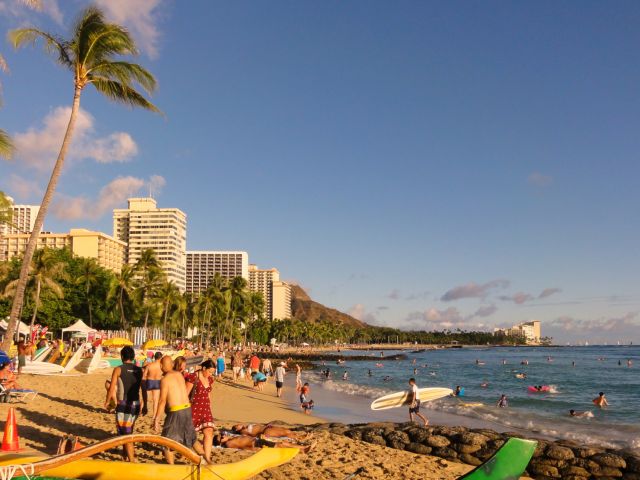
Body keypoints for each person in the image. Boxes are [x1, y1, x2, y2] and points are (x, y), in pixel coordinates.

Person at [154, 356, 202, 464]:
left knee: (167, 442)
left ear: (161, 366)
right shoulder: (179, 375)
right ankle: (205, 461)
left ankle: (172, 468)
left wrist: (157, 419)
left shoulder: (165, 379)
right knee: (192, 438)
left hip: (176, 411)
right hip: (187, 409)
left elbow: (162, 401)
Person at [105, 346, 144, 462]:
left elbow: (111, 388)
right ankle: (125, 455)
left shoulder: (118, 369)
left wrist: (108, 402)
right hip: (136, 404)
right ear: (132, 357)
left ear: (122, 356)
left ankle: (132, 460)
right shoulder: (139, 370)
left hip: (124, 404)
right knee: (127, 429)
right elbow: (144, 388)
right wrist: (145, 403)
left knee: (126, 433)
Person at [186, 359, 216, 463]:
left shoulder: (210, 379)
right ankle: (194, 456)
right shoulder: (193, 377)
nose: (210, 374)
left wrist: (210, 406)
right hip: (193, 409)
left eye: (212, 372)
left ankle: (207, 459)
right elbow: (185, 394)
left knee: (209, 432)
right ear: (203, 368)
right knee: (191, 435)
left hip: (206, 409)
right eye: (209, 371)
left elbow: (208, 394)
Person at [214, 431, 315, 453]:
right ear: (220, 442)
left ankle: (303, 447)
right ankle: (302, 450)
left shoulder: (231, 439)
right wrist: (253, 448)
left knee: (283, 443)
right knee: (280, 445)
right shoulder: (228, 443)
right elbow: (242, 447)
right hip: (257, 444)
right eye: (221, 437)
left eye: (222, 435)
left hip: (258, 441)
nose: (224, 435)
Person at [143, 351, 164, 419]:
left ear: (155, 357)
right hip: (157, 382)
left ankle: (141, 410)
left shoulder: (149, 365)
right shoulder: (162, 366)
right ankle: (154, 415)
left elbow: (144, 375)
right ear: (161, 358)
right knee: (155, 400)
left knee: (145, 399)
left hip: (149, 381)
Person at [231, 423, 307, 441]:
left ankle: (298, 436)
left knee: (286, 430)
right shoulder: (243, 431)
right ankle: (299, 438)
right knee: (283, 433)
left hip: (267, 427)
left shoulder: (246, 426)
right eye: (237, 426)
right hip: (266, 431)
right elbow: (251, 435)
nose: (239, 424)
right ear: (237, 429)